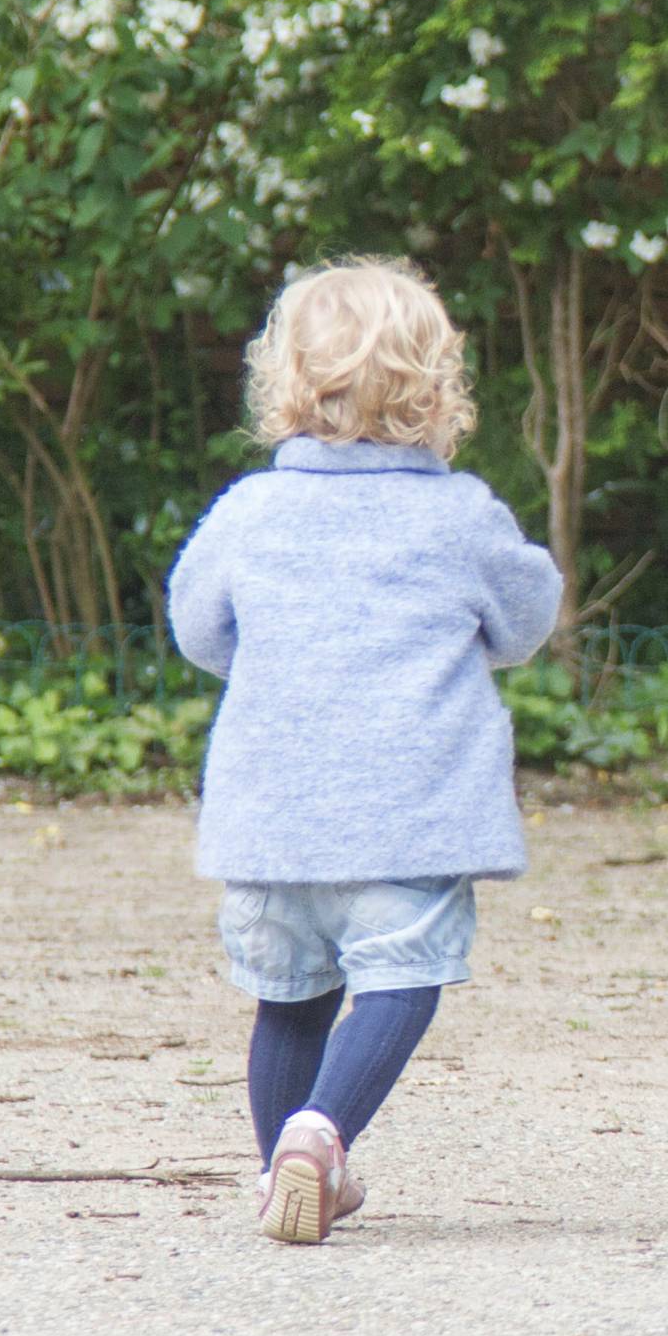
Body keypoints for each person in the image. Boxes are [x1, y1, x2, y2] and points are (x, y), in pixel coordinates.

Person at [168, 256, 563, 1241]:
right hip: (410, 815)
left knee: (290, 1000)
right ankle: (321, 1135)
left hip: (276, 816)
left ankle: (283, 1172)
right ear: (436, 390)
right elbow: (523, 625)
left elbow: (196, 630)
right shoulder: (459, 514)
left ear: (285, 383)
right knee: (401, 977)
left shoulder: (251, 512)